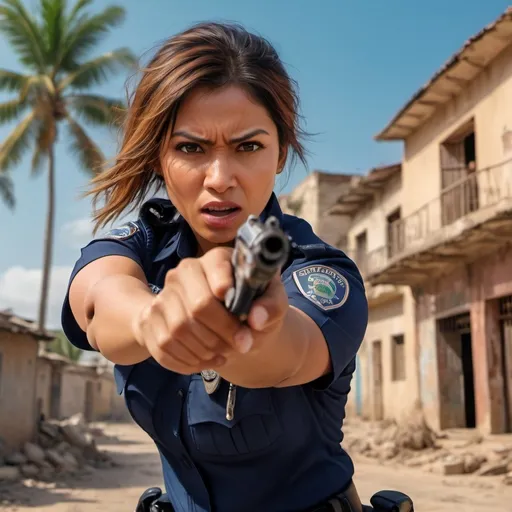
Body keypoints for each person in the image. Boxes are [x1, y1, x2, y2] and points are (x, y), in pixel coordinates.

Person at [61, 22, 369, 512]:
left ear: (280, 154)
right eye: (191, 148)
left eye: (248, 147)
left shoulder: (320, 272)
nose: (220, 179)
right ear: (160, 158)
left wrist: (249, 330)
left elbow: (292, 352)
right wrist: (153, 318)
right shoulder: (140, 245)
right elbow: (99, 304)